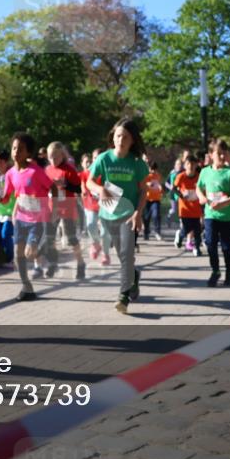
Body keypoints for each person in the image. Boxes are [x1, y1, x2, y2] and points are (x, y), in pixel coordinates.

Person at [87, 119, 148, 314]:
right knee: (124, 257)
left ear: (132, 141)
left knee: (126, 255)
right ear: (113, 137)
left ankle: (123, 296)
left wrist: (138, 213)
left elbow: (143, 192)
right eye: (118, 135)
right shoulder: (104, 159)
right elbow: (89, 182)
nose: (121, 139)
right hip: (108, 213)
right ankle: (134, 276)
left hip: (129, 215)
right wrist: (100, 189)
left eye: (126, 137)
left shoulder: (137, 163)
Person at [0, 132, 53, 300]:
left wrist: (54, 207)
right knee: (17, 255)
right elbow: (7, 195)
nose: (16, 152)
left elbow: (53, 188)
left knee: (29, 253)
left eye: (21, 149)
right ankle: (27, 287)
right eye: (14, 148)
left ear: (28, 153)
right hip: (21, 219)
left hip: (38, 220)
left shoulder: (35, 171)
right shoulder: (10, 174)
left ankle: (40, 253)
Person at [197, 140, 230, 286]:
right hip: (210, 215)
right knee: (210, 243)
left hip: (227, 216)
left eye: (224, 153)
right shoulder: (205, 171)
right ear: (210, 155)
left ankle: (229, 272)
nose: (222, 156)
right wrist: (202, 197)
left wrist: (223, 203)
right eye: (218, 153)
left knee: (227, 246)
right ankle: (215, 270)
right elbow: (199, 187)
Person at [44, 142, 87, 280]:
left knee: (71, 238)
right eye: (50, 157)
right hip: (52, 207)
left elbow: (78, 189)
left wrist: (65, 184)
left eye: (56, 157)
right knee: (49, 238)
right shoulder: (48, 170)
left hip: (67, 207)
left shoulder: (69, 169)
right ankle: (53, 263)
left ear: (62, 155)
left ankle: (81, 263)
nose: (53, 160)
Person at [173, 154, 204, 256]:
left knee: (197, 230)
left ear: (196, 165)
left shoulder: (199, 177)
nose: (190, 166)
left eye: (192, 164)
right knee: (186, 229)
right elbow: (174, 189)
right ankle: (180, 235)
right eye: (188, 164)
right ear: (184, 165)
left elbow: (204, 189)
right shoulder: (181, 176)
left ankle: (197, 248)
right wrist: (181, 195)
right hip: (185, 209)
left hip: (196, 210)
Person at [78, 152, 102, 267]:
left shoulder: (101, 172)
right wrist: (82, 190)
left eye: (90, 161)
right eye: (86, 161)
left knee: (105, 228)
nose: (88, 163)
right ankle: (95, 244)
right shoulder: (84, 174)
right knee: (91, 224)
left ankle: (105, 248)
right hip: (89, 204)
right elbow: (82, 184)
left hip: (103, 204)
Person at [142, 162, 164, 241]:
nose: (153, 171)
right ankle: (146, 232)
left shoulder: (158, 176)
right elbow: (143, 184)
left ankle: (157, 232)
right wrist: (148, 184)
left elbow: (159, 185)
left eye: (154, 169)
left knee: (156, 215)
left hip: (156, 199)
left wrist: (161, 189)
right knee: (146, 217)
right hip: (147, 199)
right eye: (151, 169)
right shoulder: (146, 176)